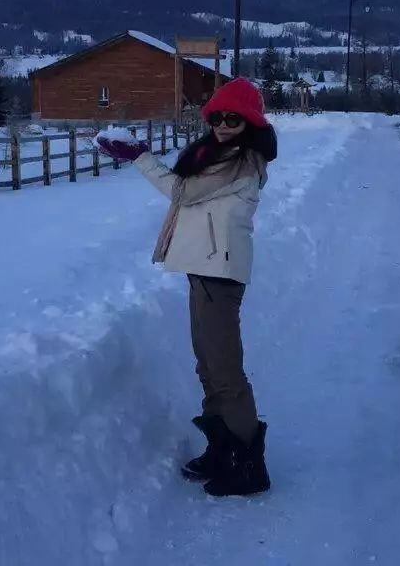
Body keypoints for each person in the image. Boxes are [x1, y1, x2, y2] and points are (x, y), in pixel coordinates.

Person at [97, 78, 277, 497]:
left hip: (220, 271)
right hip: (205, 268)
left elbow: (182, 190)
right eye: (217, 116)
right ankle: (222, 449)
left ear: (248, 122)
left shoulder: (242, 160)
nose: (223, 124)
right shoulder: (217, 154)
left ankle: (248, 465)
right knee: (208, 367)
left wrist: (140, 156)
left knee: (225, 373)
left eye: (233, 118)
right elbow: (186, 186)